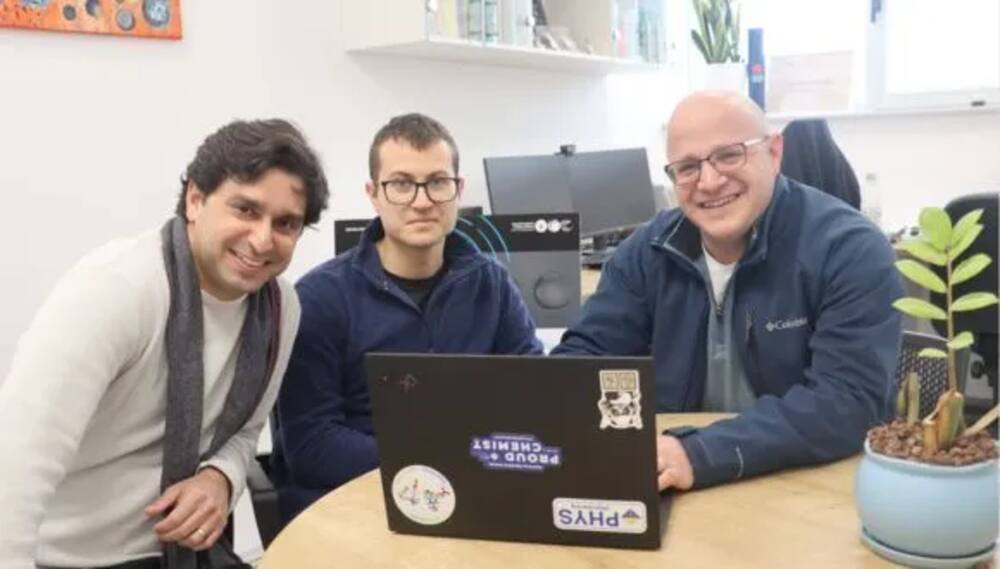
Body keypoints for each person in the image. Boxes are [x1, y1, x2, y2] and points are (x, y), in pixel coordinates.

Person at [0, 119, 329, 568]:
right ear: (195, 199)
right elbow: (16, 463)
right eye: (246, 210)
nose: (262, 239)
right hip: (70, 559)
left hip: (188, 554)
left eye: (285, 223)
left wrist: (221, 477)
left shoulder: (280, 307)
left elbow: (246, 432)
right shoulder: (119, 291)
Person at [553, 91, 903, 492]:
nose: (709, 181)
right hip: (672, 479)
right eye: (687, 167)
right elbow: (583, 364)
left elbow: (847, 401)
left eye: (729, 155)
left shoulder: (849, 248)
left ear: (773, 153)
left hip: (804, 483)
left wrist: (700, 454)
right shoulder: (646, 252)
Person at [270, 113, 543, 522]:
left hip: (475, 493)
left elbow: (536, 396)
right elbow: (311, 445)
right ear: (373, 194)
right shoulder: (319, 299)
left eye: (437, 182)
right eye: (400, 184)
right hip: (358, 503)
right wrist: (442, 461)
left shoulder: (492, 285)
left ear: (457, 190)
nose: (421, 201)